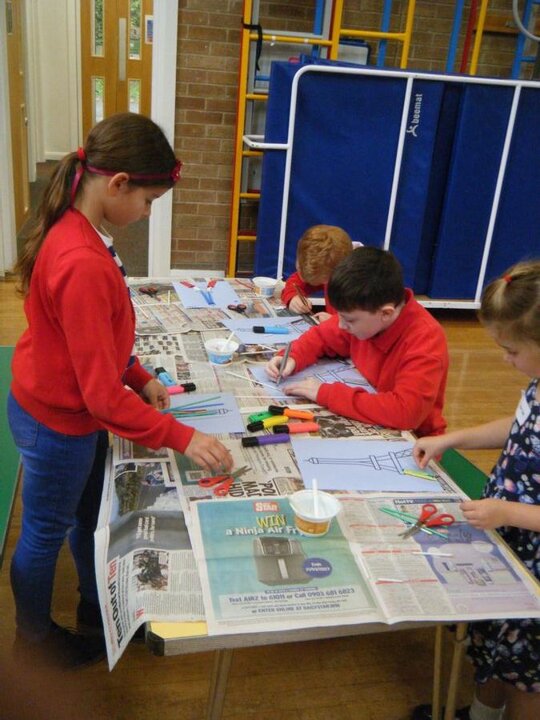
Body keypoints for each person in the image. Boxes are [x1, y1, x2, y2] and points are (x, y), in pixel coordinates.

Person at [7, 113, 232, 669]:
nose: (148, 212)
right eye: (149, 201)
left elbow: (93, 340)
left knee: (88, 516)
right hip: (56, 423)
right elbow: (101, 399)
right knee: (45, 531)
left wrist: (138, 374)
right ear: (119, 184)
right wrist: (182, 437)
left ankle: (94, 605)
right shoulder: (81, 260)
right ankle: (32, 642)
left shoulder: (83, 232)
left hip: (66, 412)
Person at [412, 260, 540, 720]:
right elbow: (520, 427)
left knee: (527, 674)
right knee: (494, 648)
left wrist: (508, 513)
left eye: (511, 350)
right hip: (511, 539)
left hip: (533, 559)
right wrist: (454, 438)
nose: (505, 360)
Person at [267, 246, 448, 437]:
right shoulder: (366, 315)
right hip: (372, 417)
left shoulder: (425, 340)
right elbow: (321, 337)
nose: (340, 325)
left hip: (417, 441)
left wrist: (325, 393)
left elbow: (405, 412)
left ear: (386, 313)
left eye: (349, 320)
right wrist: (293, 356)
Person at [281, 224, 354, 322]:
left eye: (324, 281)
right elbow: (295, 281)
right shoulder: (329, 267)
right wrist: (293, 297)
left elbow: (364, 325)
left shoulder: (364, 284)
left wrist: (335, 322)